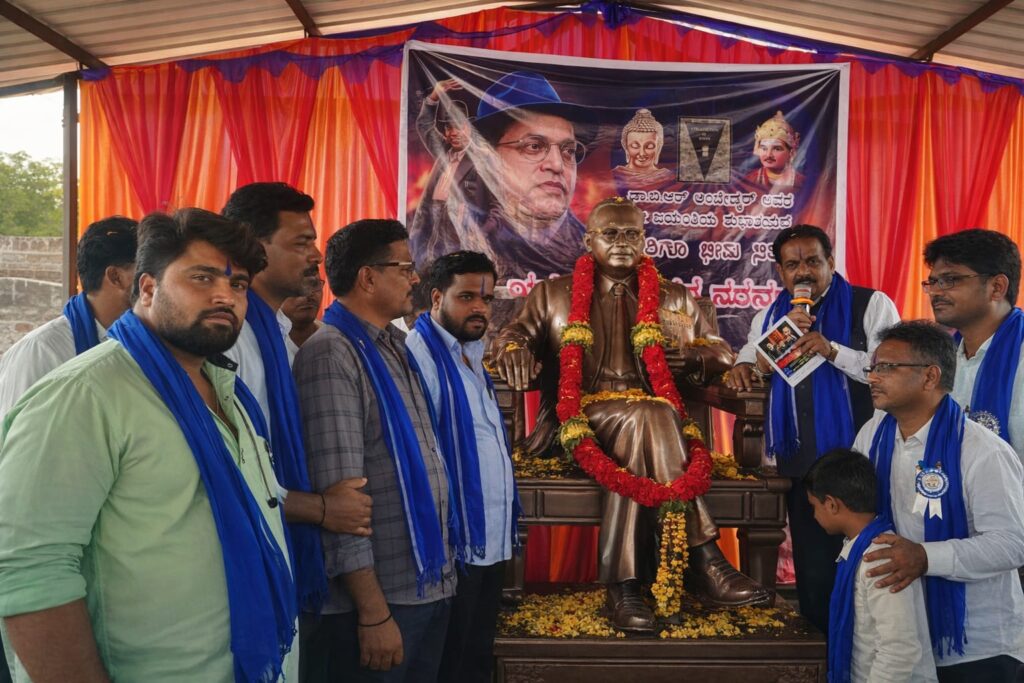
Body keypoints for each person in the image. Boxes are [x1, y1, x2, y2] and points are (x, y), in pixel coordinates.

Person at [0, 209, 298, 682]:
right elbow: (29, 573)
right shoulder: (86, 394)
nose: (225, 295)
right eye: (202, 277)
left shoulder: (228, 392)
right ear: (146, 288)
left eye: (238, 284)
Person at [493, 197, 767, 634]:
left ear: (644, 240)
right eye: (611, 233)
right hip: (579, 419)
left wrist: (694, 358)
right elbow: (513, 335)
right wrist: (513, 349)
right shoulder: (553, 294)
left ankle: (624, 588)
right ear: (589, 241)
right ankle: (706, 559)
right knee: (649, 416)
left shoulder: (674, 297)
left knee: (645, 423)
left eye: (632, 234)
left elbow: (718, 349)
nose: (622, 242)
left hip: (654, 427)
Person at [294, 219, 456, 681]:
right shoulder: (332, 354)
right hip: (381, 600)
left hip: (424, 582)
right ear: (368, 277)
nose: (414, 278)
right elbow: (342, 501)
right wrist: (372, 612)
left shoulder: (394, 345)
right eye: (404, 268)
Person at [726, 224, 900, 634]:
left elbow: (892, 370)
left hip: (866, 463)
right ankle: (824, 652)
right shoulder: (772, 317)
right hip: (803, 466)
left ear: (831, 263)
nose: (802, 271)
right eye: (792, 265)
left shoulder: (871, 304)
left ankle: (876, 652)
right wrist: (744, 364)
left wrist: (832, 350)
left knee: (873, 568)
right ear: (780, 272)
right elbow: (751, 353)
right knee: (816, 571)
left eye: (812, 261)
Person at [222, 182, 372, 622]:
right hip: (244, 564)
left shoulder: (275, 334)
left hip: (279, 550)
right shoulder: (230, 340)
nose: (315, 255)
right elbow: (228, 468)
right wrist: (322, 509)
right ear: (254, 246)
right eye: (302, 242)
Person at [852, 321, 1024, 681]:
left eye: (887, 367)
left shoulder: (983, 450)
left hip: (978, 644)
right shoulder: (872, 434)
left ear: (930, 377)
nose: (873, 378)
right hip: (899, 636)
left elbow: (1011, 545)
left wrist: (925, 557)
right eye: (873, 367)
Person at [405, 251, 518, 683]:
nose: (479, 308)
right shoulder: (420, 354)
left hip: (489, 537)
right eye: (466, 296)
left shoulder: (471, 354)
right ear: (437, 297)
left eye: (486, 299)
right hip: (452, 543)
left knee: (473, 659)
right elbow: (419, 451)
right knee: (447, 664)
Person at [805, 448, 937, 683]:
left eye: (814, 506)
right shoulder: (860, 548)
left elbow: (899, 650)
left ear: (832, 504)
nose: (813, 516)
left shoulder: (881, 558)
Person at [0, 216, 137, 416]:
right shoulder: (41, 351)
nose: (155, 284)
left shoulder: (143, 343)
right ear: (116, 277)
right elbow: (14, 433)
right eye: (148, 272)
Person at [468, 70, 588, 280]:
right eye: (534, 146)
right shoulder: (458, 238)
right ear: (489, 159)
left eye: (568, 151)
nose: (557, 165)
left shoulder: (597, 253)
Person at [923, 228, 1023, 463]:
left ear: (997, 287)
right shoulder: (938, 357)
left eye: (950, 280)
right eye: (933, 282)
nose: (935, 292)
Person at [408, 79, 490, 264]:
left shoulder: (483, 157)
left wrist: (480, 230)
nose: (453, 132)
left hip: (458, 229)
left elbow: (495, 206)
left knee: (452, 270)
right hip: (429, 221)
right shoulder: (443, 149)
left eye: (459, 126)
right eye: (448, 127)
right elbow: (425, 125)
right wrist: (434, 95)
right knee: (425, 268)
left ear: (469, 128)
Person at [611, 108, 675, 189]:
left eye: (649, 147)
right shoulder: (615, 175)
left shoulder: (667, 176)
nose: (642, 153)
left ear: (658, 146)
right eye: (635, 146)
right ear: (625, 145)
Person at [745, 110, 804, 190]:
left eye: (777, 149)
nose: (768, 154)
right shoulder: (748, 180)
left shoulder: (803, 183)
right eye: (764, 148)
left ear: (791, 153)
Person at [281, 278, 324, 349]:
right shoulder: (266, 341)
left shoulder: (335, 337)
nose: (309, 294)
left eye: (314, 285)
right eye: (296, 286)